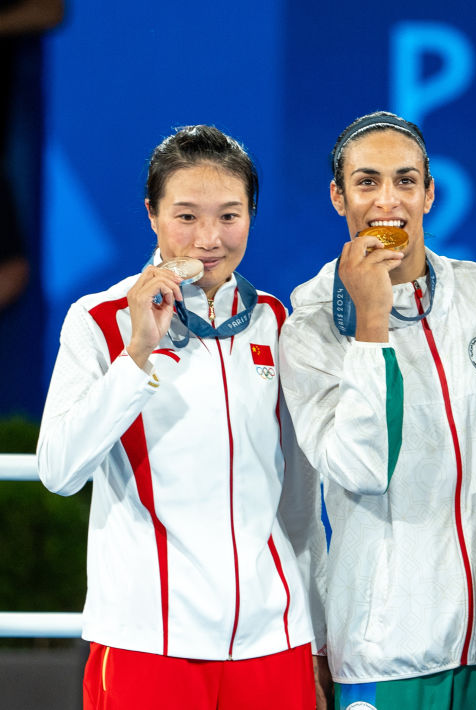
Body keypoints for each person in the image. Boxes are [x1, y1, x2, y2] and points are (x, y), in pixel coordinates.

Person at [278, 110, 476, 710]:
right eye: (367, 182)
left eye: (406, 181)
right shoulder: (309, 329)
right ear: (338, 197)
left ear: (429, 193)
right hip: (387, 652)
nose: (389, 200)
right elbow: (361, 468)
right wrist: (371, 324)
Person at [36, 125, 323, 710]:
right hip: (150, 643)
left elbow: (298, 501)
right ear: (152, 214)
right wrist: (137, 353)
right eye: (186, 216)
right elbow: (59, 470)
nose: (208, 240)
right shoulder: (98, 321)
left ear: (251, 216)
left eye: (229, 216)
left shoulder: (275, 321)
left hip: (273, 642)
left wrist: (314, 632)